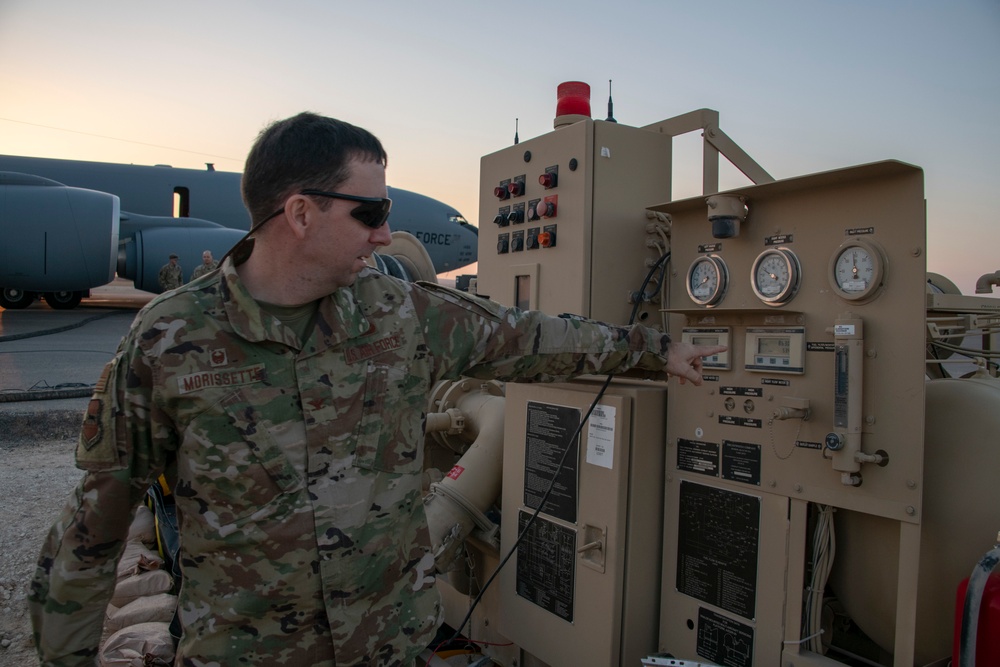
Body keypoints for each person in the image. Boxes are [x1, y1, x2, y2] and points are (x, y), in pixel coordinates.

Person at [30, 112, 725, 666]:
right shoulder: (168, 340)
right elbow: (92, 530)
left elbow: (533, 338)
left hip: (387, 646)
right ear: (299, 212)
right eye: (371, 211)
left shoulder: (403, 316)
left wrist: (660, 349)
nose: (387, 233)